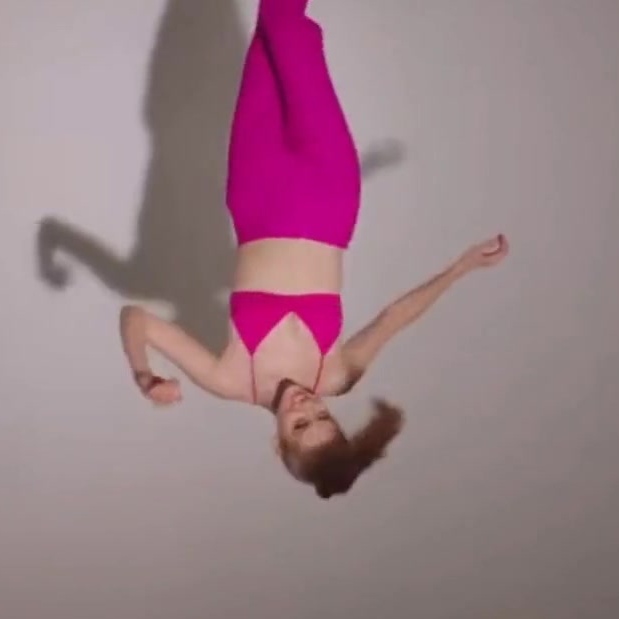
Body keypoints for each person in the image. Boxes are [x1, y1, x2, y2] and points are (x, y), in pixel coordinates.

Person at [120, 0, 509, 499]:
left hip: (254, 196)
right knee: (283, 23)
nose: (307, 407)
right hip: (329, 195)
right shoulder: (337, 375)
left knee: (269, 35)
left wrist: (143, 374)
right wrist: (461, 268)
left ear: (277, 444)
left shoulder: (230, 380)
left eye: (299, 426)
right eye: (323, 417)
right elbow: (395, 318)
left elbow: (138, 320)